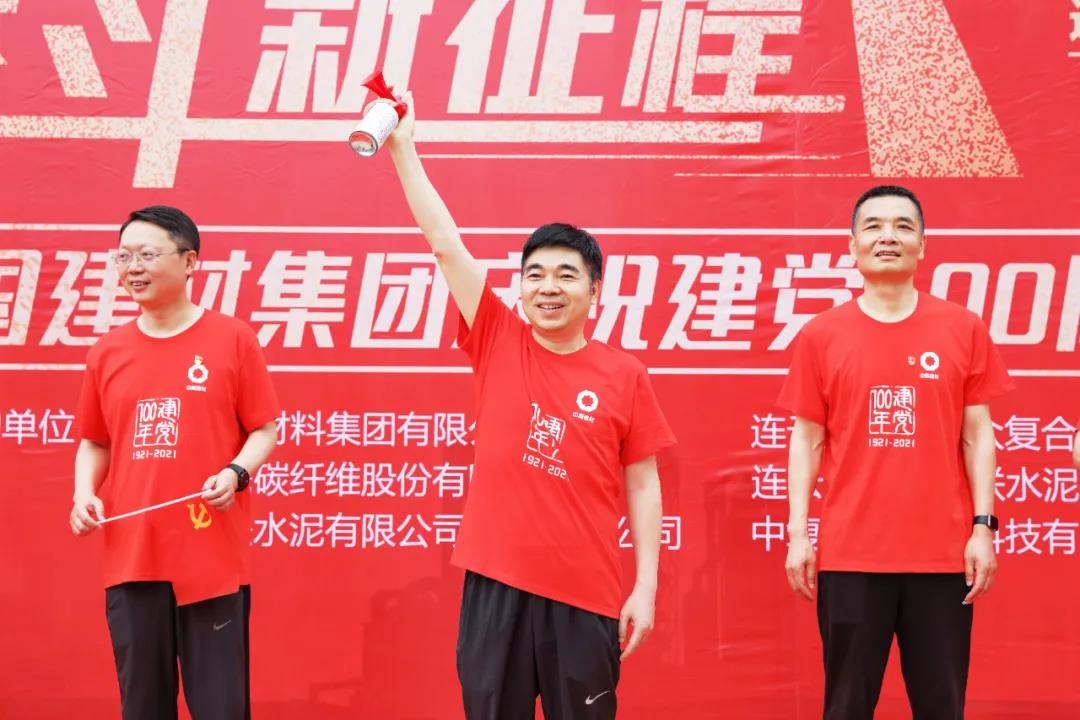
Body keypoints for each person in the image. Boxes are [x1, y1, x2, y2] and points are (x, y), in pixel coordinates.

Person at [381, 94, 676, 719]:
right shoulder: (497, 338)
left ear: (595, 290)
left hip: (586, 593)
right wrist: (404, 148)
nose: (549, 287)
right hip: (495, 586)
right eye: (535, 274)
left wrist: (646, 587)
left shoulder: (624, 374)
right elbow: (445, 244)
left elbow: (644, 484)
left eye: (567, 275)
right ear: (519, 288)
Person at [778, 185, 1014, 720]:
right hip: (850, 557)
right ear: (853, 244)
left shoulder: (962, 327)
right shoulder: (821, 334)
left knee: (941, 704)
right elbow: (806, 440)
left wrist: (983, 528)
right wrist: (798, 534)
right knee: (846, 703)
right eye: (874, 226)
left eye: (904, 227)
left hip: (942, 557)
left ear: (922, 245)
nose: (888, 237)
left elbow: (978, 435)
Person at [69, 206, 280, 720]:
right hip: (133, 556)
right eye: (124, 256)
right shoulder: (108, 352)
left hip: (211, 556)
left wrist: (236, 473)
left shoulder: (232, 338)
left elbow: (264, 429)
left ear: (190, 262)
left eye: (147, 254)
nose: (133, 268)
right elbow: (95, 441)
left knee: (220, 707)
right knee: (143, 705)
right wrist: (83, 493)